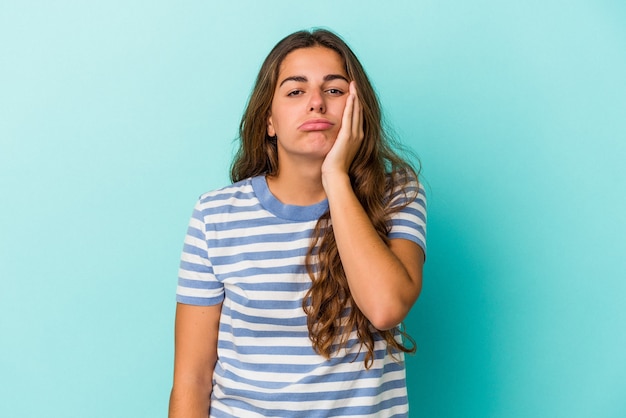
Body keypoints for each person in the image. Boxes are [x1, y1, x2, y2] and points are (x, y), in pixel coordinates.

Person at [168, 28, 427, 418]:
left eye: (335, 90)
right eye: (295, 91)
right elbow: (192, 379)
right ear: (269, 121)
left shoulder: (397, 196)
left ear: (360, 110)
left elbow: (386, 307)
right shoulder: (215, 215)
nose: (316, 104)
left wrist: (335, 177)